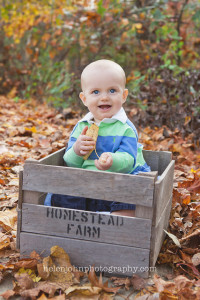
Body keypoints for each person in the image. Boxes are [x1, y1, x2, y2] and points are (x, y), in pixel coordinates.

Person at [44, 59, 150, 217]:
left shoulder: (125, 128)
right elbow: (70, 162)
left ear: (124, 95)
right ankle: (80, 218)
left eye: (112, 91)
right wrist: (77, 150)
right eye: (95, 92)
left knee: (132, 193)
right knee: (63, 192)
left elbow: (129, 161)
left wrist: (113, 160)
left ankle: (116, 222)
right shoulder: (82, 127)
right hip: (87, 185)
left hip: (119, 182)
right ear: (84, 98)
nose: (104, 97)